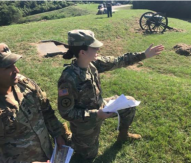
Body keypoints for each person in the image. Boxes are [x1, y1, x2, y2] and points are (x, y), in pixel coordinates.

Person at [58, 30, 164, 159]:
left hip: (101, 107)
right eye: (94, 48)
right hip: (85, 122)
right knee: (88, 156)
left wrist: (144, 55)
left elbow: (119, 60)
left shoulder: (93, 63)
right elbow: (66, 112)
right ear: (82, 52)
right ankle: (67, 136)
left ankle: (123, 136)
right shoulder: (68, 78)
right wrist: (96, 114)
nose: (98, 50)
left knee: (129, 104)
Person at [0, 43, 66, 163]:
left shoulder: (25, 85)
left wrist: (57, 134)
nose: (16, 70)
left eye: (14, 64)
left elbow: (46, 111)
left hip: (48, 155)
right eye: (8, 67)